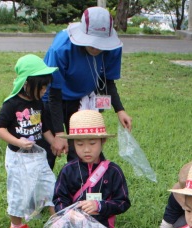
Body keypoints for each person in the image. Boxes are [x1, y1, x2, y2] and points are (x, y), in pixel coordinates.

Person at [43, 6, 132, 165]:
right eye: (92, 43)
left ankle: (81, 187)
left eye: (101, 43)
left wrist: (120, 110)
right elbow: (53, 93)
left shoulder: (113, 48)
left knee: (81, 152)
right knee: (50, 152)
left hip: (81, 100)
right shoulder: (61, 48)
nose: (96, 48)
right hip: (52, 99)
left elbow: (108, 80)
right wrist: (58, 133)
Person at [53, 110, 130, 228]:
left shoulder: (113, 171)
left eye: (92, 143)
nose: (86, 149)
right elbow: (59, 198)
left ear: (103, 142)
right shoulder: (68, 171)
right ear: (73, 144)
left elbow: (123, 202)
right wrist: (69, 213)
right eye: (80, 144)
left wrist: (100, 206)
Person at [0, 54, 59, 228]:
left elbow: (43, 126)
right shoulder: (11, 104)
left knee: (50, 185)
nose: (45, 90)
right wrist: (18, 142)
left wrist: (53, 141)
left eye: (47, 86)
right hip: (18, 158)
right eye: (42, 86)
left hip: (38, 156)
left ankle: (57, 222)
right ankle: (17, 226)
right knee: (19, 192)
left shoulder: (38, 103)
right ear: (27, 83)